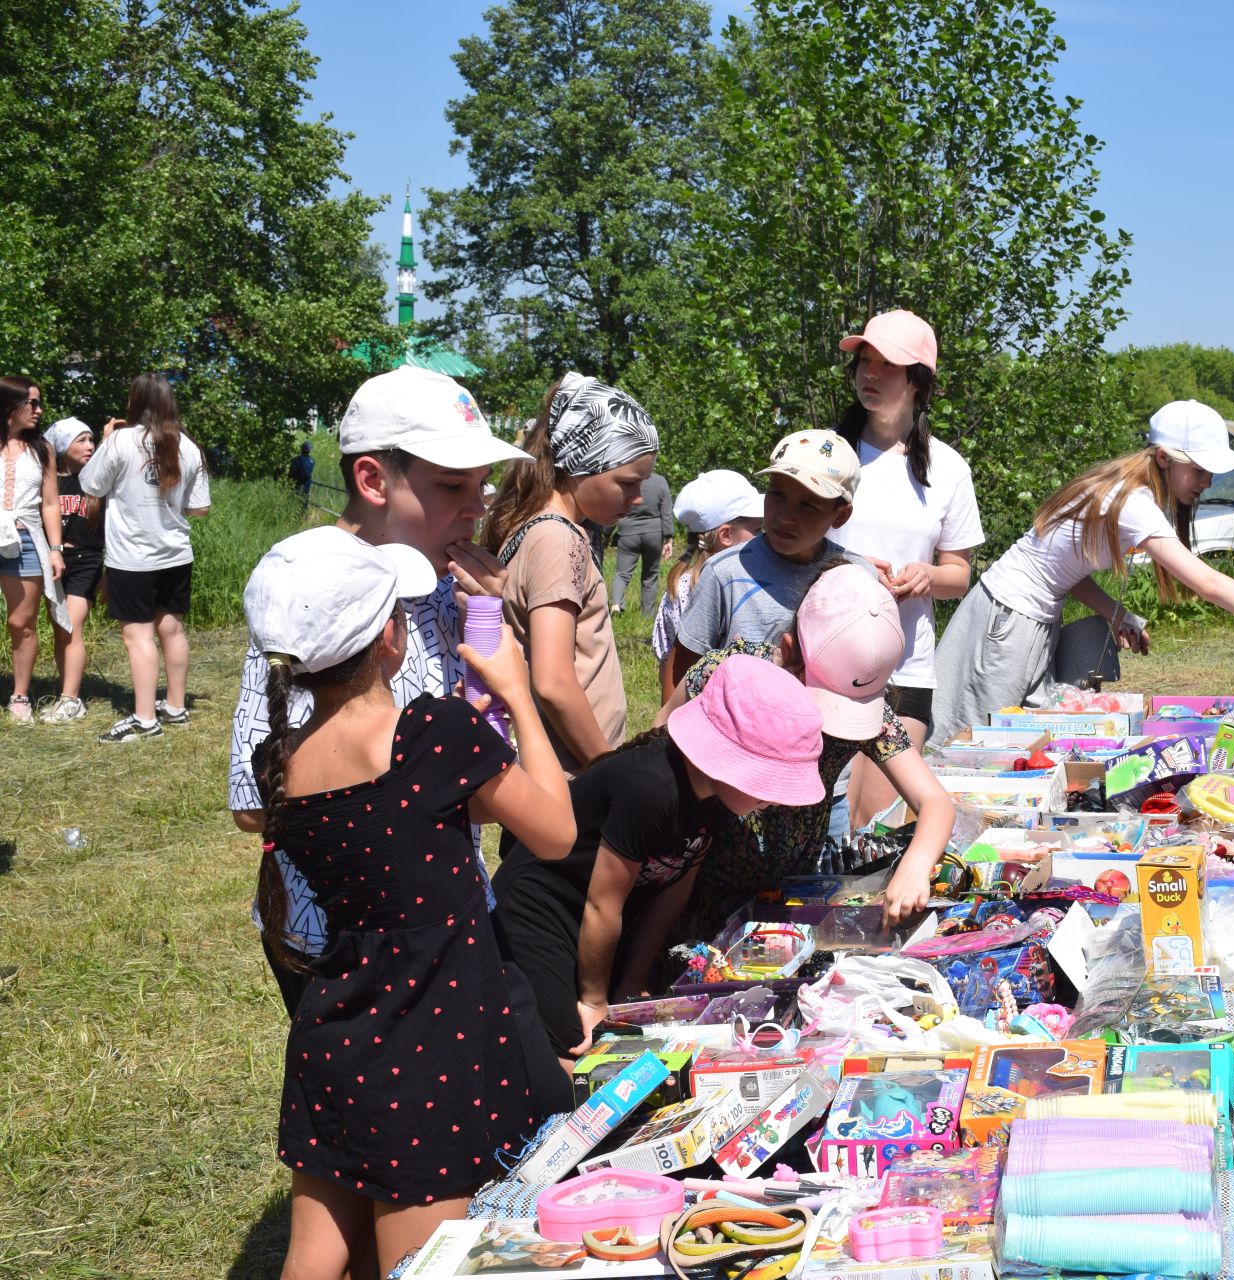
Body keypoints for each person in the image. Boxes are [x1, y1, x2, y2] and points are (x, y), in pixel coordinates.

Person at [243, 527, 574, 1280]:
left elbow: (413, 818)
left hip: (336, 1026)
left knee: (316, 1256)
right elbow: (555, 832)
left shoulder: (282, 761)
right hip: (427, 1040)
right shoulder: (437, 734)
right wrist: (517, 693)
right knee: (423, 1266)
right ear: (392, 636)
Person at [230, 364, 532, 1017]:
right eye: (453, 485)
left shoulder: (444, 588)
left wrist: (489, 625)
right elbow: (255, 805)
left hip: (450, 917)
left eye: (483, 485)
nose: (478, 507)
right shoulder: (305, 589)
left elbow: (475, 752)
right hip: (348, 945)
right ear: (371, 479)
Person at [933, 401, 1234, 740]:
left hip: (1025, 619)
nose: (1206, 481)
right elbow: (1209, 584)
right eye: (1199, 469)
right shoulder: (1134, 503)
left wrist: (1117, 614)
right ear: (1164, 458)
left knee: (1015, 734)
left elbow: (1066, 570)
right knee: (976, 739)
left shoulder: (1129, 494)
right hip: (1005, 621)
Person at [491, 653, 825, 1060]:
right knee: (576, 1057)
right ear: (726, 762)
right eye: (767, 783)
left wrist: (630, 990)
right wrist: (596, 1003)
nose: (772, 801)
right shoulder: (651, 789)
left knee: (623, 1046)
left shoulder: (719, 800)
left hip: (599, 922)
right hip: (540, 908)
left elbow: (673, 890)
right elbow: (602, 904)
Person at [658, 563, 958, 947]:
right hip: (693, 882)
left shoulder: (867, 703)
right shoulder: (725, 675)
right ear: (787, 650)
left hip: (782, 894)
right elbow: (656, 750)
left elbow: (934, 801)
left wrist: (915, 867)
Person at [826, 310, 984, 824]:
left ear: (919, 381)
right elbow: (784, 548)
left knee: (882, 819)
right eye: (863, 362)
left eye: (886, 365)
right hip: (822, 667)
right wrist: (848, 569)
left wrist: (927, 577)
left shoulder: (949, 468)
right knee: (831, 814)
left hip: (907, 668)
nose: (868, 374)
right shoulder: (826, 453)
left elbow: (958, 574)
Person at [482, 372, 658, 774]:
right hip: (573, 779)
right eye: (627, 483)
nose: (638, 498)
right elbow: (553, 682)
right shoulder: (557, 539)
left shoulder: (535, 525)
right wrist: (609, 771)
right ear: (582, 464)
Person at [666, 430, 874, 690]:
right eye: (777, 494)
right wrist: (667, 728)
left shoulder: (857, 578)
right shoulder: (725, 573)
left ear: (840, 515)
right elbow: (682, 667)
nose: (785, 516)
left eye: (808, 505)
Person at [81, 374, 209, 742]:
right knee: (172, 629)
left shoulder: (121, 440)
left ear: (134, 402)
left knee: (138, 637)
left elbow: (91, 485)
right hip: (175, 553)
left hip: (133, 557)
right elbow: (199, 509)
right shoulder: (187, 445)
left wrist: (106, 440)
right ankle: (175, 706)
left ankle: (144, 719)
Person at [652, 470, 763, 704]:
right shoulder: (698, 588)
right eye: (757, 530)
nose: (764, 537)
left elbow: (664, 661)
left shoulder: (679, 586)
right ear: (726, 535)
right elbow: (673, 664)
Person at [1, 378, 66, 724]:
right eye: (32, 403)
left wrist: (55, 549)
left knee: (21, 621)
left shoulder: (43, 449)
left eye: (39, 403)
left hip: (26, 539)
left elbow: (51, 504)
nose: (39, 411)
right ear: (9, 406)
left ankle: (20, 695)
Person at [41, 418, 101, 723]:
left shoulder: (98, 480)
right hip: (54, 563)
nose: (89, 446)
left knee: (71, 627)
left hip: (86, 561)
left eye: (92, 440)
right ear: (63, 446)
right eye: (81, 440)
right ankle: (68, 691)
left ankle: (71, 700)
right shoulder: (48, 480)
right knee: (59, 629)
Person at [610, 469, 672, 618]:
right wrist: (669, 537)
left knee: (622, 573)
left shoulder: (627, 481)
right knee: (650, 575)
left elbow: (615, 506)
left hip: (628, 532)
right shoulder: (660, 481)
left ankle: (616, 603)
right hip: (654, 533)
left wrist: (606, 533)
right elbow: (666, 511)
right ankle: (647, 615)